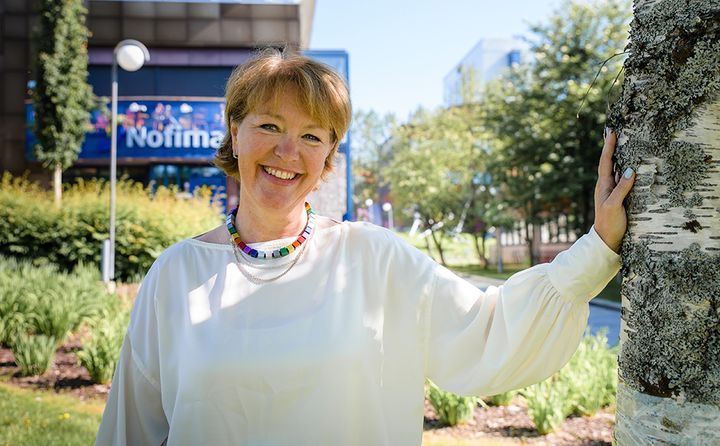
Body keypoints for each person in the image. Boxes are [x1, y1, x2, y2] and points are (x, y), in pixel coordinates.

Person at [95, 48, 635, 445]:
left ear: (328, 157)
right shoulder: (176, 274)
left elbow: (487, 327)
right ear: (234, 131)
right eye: (269, 125)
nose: (288, 151)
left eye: (312, 136)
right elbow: (132, 430)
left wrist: (596, 247)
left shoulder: (375, 260)